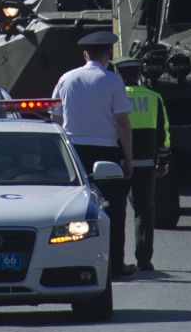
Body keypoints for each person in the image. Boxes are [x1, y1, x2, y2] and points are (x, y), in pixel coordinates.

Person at [51, 31, 135, 281]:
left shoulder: (66, 79)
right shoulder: (112, 81)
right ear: (108, 55)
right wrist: (128, 157)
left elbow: (55, 117)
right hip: (106, 152)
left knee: (73, 210)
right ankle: (116, 264)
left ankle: (71, 261)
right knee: (114, 209)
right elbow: (122, 122)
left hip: (73, 151)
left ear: (85, 55)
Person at [114, 57, 170, 273]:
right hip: (146, 165)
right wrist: (163, 160)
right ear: (139, 74)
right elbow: (163, 132)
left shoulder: (115, 98)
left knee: (117, 212)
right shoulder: (154, 98)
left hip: (119, 165)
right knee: (144, 211)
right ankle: (144, 259)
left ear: (119, 75)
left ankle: (116, 260)